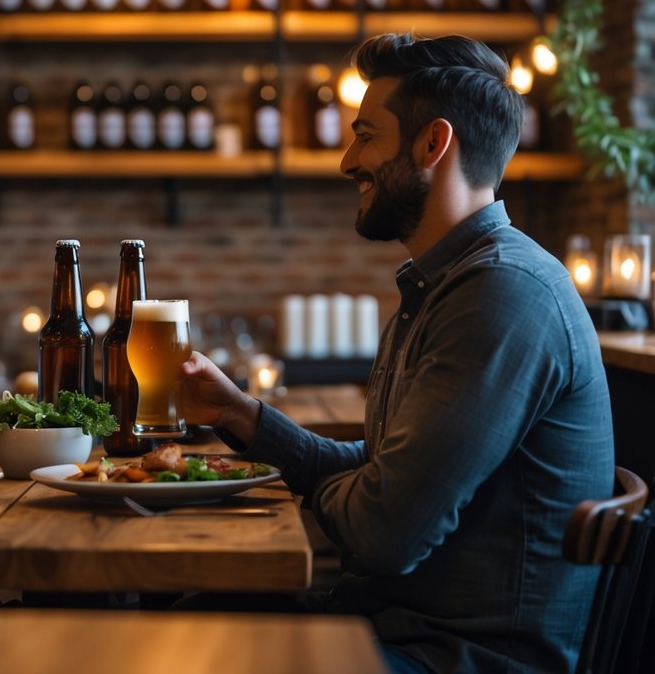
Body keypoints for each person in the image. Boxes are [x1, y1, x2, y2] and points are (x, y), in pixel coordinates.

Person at [180, 34, 614, 673]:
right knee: (192, 614)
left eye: (365, 135)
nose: (347, 160)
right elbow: (385, 470)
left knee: (179, 641)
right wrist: (243, 416)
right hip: (396, 629)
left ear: (432, 145)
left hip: (458, 659)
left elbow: (384, 533)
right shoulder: (446, 283)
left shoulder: (502, 293)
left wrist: (334, 491)